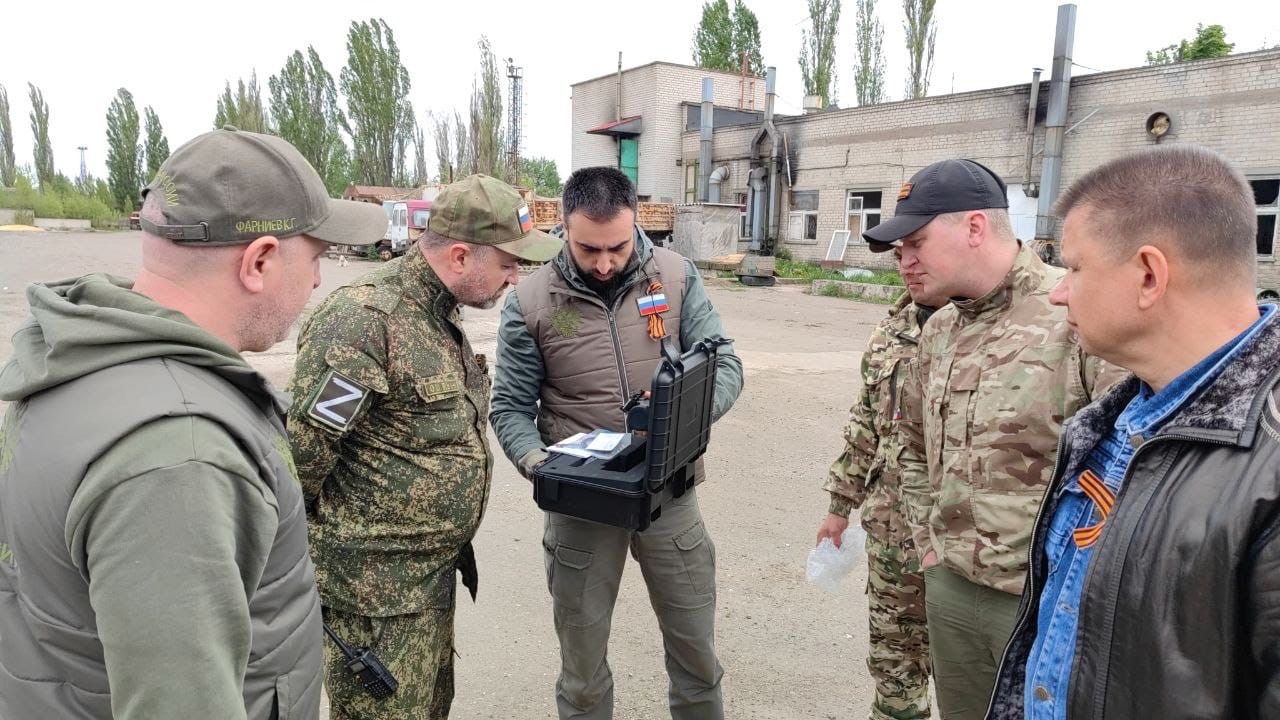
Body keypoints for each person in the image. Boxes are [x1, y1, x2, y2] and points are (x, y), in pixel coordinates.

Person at [0, 126, 387, 718]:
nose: (316, 281)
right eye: (316, 257)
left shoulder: (82, 353)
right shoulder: (180, 452)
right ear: (259, 260)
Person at [987, 145, 1280, 719]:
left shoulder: (1266, 459)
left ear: (1149, 275)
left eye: (1073, 267)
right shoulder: (1117, 421)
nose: (1057, 291)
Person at [286, 174, 561, 719]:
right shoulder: (364, 323)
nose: (516, 277)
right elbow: (300, 462)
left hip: (426, 584)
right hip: (376, 598)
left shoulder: (435, 313)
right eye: (508, 263)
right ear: (460, 256)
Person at [867, 158, 1119, 720]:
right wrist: (931, 539)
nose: (903, 262)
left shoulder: (1075, 315)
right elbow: (908, 441)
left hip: (1046, 601)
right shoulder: (938, 329)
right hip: (952, 588)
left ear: (975, 228)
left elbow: (1132, 465)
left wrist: (1080, 582)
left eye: (915, 243)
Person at [489, 166, 743, 719]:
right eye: (587, 249)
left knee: (696, 657)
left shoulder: (675, 276)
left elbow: (726, 365)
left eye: (617, 247)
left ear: (635, 226)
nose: (604, 263)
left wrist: (682, 424)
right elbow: (509, 407)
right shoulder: (530, 300)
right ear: (563, 228)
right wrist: (541, 465)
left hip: (669, 496)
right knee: (581, 673)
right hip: (582, 506)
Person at [815, 254, 948, 720]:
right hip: (892, 539)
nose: (908, 264)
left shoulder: (1007, 332)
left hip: (966, 550)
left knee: (975, 685)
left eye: (920, 247)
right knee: (894, 671)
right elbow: (867, 422)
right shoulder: (893, 329)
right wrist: (839, 506)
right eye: (899, 254)